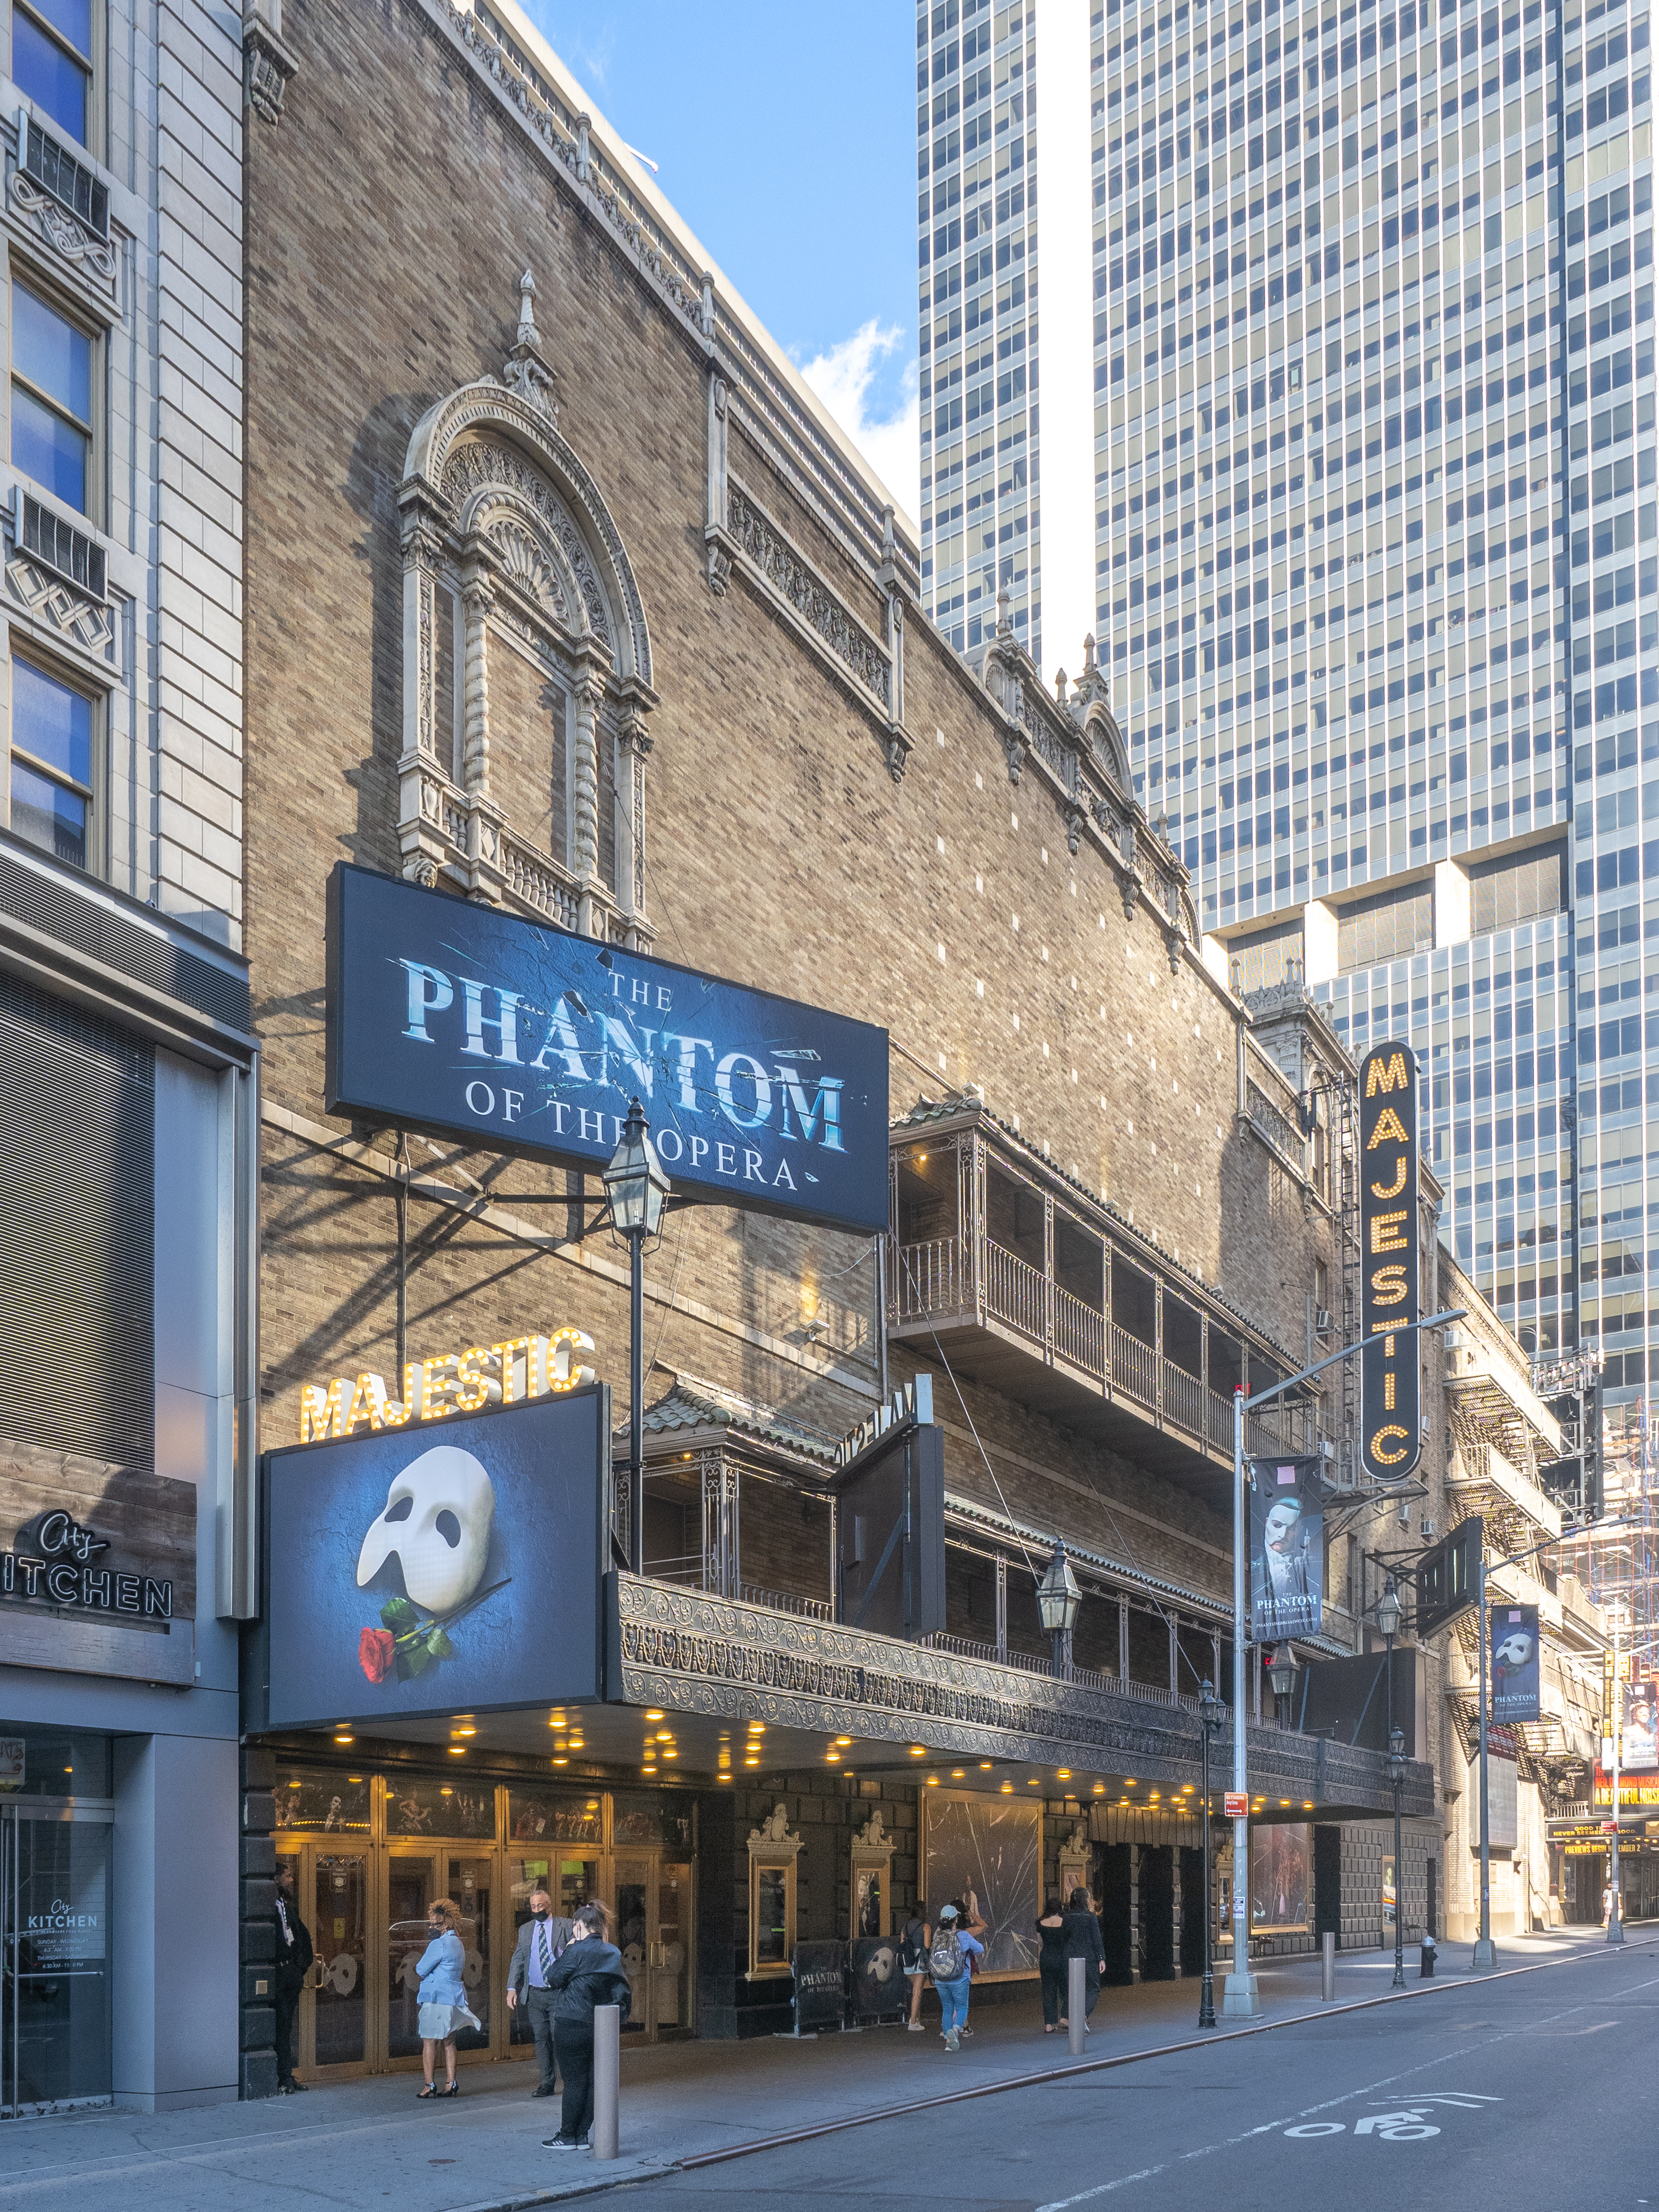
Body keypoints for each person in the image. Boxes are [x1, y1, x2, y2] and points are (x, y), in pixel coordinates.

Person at [542, 1901, 632, 2151]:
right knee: (594, 2081)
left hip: (571, 2022)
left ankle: (567, 2135)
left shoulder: (577, 1950)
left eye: (574, 1928)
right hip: (601, 2024)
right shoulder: (612, 1952)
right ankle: (582, 2135)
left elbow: (554, 1977)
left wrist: (569, 1949)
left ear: (579, 1926)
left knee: (573, 2082)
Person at [507, 1885, 576, 2096]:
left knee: (559, 2037)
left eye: (540, 1906)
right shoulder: (526, 1930)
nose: (536, 1910)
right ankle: (547, 2082)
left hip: (558, 1993)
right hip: (535, 1993)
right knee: (541, 2038)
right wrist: (512, 1987)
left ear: (550, 1905)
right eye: (533, 1906)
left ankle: (571, 2080)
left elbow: (575, 1954)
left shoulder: (565, 1925)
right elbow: (518, 1958)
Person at [415, 1898, 480, 2098]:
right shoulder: (458, 1943)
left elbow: (420, 1969)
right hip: (454, 1997)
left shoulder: (439, 1944)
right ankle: (451, 2082)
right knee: (449, 2040)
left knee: (429, 2041)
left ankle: (429, 2085)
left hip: (436, 1998)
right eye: (432, 1923)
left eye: (436, 1924)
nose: (433, 1927)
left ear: (447, 1923)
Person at [272, 1864, 313, 2094]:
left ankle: (286, 2075)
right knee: (279, 2027)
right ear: (276, 1878)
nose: (291, 1879)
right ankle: (282, 2077)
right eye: (287, 1876)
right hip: (278, 1975)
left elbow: (300, 1936)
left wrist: (299, 1967)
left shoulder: (286, 1905)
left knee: (285, 2027)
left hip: (290, 1974)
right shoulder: (269, 1905)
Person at [927, 1901, 983, 2052]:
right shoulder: (962, 1935)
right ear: (956, 1920)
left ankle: (948, 2042)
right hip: (960, 1978)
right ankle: (957, 2029)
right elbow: (980, 1949)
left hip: (940, 1979)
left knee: (947, 2009)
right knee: (961, 2007)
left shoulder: (937, 1935)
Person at [1060, 1886, 1105, 2029]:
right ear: (1086, 1900)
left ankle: (1070, 2018)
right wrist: (1101, 1958)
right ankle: (1083, 2016)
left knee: (1072, 1989)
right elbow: (1097, 1939)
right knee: (1093, 1989)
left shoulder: (1067, 1917)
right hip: (1089, 1957)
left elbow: (1064, 1938)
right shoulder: (1090, 1917)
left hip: (1070, 1957)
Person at [1037, 1895, 1067, 2032]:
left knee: (1048, 1992)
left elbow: (1040, 1943)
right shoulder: (1065, 1922)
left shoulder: (1040, 1923)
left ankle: (1049, 2025)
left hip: (1046, 1958)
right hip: (1062, 1958)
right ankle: (1066, 2017)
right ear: (1060, 1908)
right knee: (1066, 1989)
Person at [900, 1905, 931, 2031]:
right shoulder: (926, 1926)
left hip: (907, 1960)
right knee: (917, 1992)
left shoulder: (905, 1926)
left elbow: (902, 1942)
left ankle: (916, 2018)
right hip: (920, 1961)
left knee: (915, 1990)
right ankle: (913, 2022)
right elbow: (927, 1945)